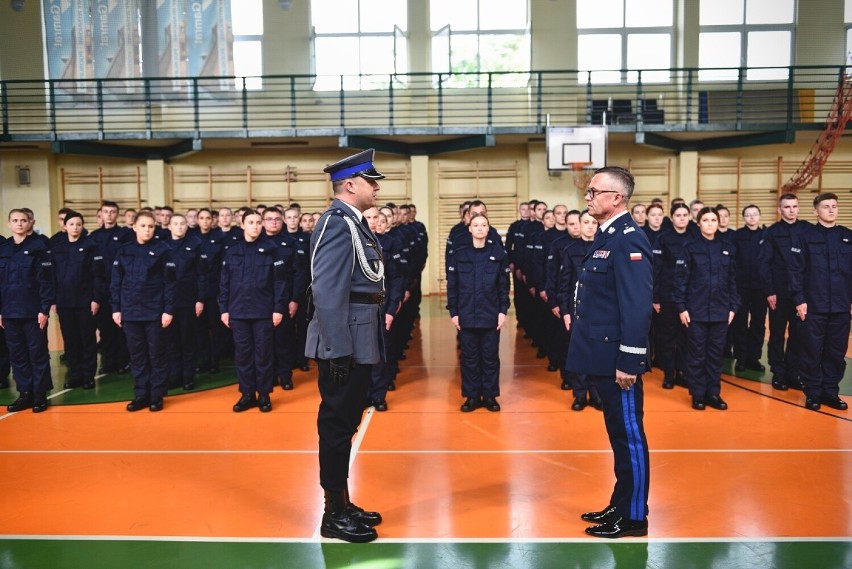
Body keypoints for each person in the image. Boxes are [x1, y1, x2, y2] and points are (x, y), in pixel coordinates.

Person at [566, 166, 651, 539]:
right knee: (618, 434)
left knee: (629, 435)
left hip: (619, 361)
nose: (587, 196)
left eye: (594, 191)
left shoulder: (628, 240)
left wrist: (630, 360)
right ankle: (621, 502)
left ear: (616, 198)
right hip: (602, 356)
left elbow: (636, 306)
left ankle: (634, 517)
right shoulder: (608, 237)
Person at [306, 149, 386, 543]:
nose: (376, 187)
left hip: (359, 336)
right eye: (371, 181)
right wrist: (337, 349)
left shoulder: (353, 222)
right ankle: (332, 513)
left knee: (347, 424)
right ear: (350, 185)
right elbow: (327, 290)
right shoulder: (336, 224)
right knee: (337, 427)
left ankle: (343, 502)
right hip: (345, 341)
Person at [219, 210, 287, 413]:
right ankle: (247, 394)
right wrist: (224, 309)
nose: (255, 226)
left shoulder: (272, 250)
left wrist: (278, 308)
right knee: (243, 355)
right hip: (238, 311)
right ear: (242, 225)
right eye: (251, 222)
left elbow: (280, 282)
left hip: (263, 311)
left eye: (258, 222)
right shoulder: (232, 251)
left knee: (264, 354)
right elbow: (224, 282)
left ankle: (264, 394)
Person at [674, 207, 740, 411]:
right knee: (696, 355)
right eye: (706, 220)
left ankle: (713, 392)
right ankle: (698, 394)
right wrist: (681, 307)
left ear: (718, 222)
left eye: (714, 219)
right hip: (696, 311)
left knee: (715, 355)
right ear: (699, 223)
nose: (710, 223)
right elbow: (680, 280)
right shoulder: (690, 247)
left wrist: (733, 307)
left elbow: (733, 280)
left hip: (721, 311)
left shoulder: (727, 247)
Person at [789, 193, 850, 412]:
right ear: (816, 211)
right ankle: (813, 393)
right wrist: (799, 300)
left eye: (834, 206)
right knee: (811, 351)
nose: (831, 210)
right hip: (813, 306)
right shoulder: (805, 237)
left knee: (836, 352)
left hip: (841, 307)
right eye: (826, 207)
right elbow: (795, 271)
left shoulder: (847, 236)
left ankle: (830, 392)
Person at [111, 211, 175, 412]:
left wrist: (168, 310)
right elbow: (116, 282)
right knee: (137, 356)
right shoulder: (124, 250)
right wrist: (116, 309)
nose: (147, 229)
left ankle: (156, 395)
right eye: (144, 226)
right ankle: (141, 394)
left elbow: (170, 283)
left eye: (151, 226)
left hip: (155, 311)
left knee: (156, 354)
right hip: (130, 311)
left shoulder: (163, 250)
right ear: (134, 227)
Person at [446, 212, 510, 412]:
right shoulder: (460, 254)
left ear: (488, 229)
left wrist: (503, 310)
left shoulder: (498, 254)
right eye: (476, 225)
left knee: (490, 357)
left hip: (491, 315)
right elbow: (453, 285)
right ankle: (472, 397)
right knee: (469, 358)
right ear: (470, 229)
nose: (480, 228)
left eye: (484, 225)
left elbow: (503, 286)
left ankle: (490, 396)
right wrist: (454, 312)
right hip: (466, 315)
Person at [0, 209, 56, 413]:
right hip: (9, 311)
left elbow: (46, 282)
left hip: (33, 312)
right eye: (15, 220)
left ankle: (40, 394)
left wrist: (44, 309)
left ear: (30, 223)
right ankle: (25, 393)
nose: (19, 224)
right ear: (9, 224)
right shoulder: (3, 249)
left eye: (23, 220)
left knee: (37, 353)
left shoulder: (38, 248)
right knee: (17, 355)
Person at [759, 193, 810, 390]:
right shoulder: (771, 232)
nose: (791, 210)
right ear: (780, 210)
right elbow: (764, 264)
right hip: (778, 294)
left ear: (798, 208)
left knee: (798, 334)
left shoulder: (807, 230)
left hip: (800, 295)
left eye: (794, 206)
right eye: (787, 207)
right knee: (777, 334)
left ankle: (792, 373)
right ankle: (778, 373)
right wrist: (769, 291)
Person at [52, 211, 103, 390]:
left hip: (85, 301)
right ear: (65, 226)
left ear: (82, 226)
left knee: (86, 339)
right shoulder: (57, 247)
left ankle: (88, 376)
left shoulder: (91, 246)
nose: (75, 227)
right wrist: (53, 300)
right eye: (72, 224)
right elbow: (52, 276)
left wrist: (96, 298)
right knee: (70, 340)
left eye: (79, 224)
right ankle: (75, 374)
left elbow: (98, 275)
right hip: (64, 301)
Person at [557, 210, 601, 410]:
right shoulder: (570, 250)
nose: (590, 226)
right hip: (577, 311)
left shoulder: (606, 248)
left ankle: (597, 395)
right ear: (580, 225)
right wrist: (565, 312)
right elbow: (564, 284)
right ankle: (580, 395)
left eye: (593, 222)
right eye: (586, 222)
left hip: (600, 311)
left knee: (598, 354)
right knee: (579, 354)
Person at [164, 213, 206, 391]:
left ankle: (188, 376)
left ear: (187, 226)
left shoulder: (195, 245)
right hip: (168, 302)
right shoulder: (162, 247)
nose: (180, 227)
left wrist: (200, 299)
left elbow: (202, 274)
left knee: (188, 339)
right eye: (176, 224)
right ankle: (175, 375)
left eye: (182, 224)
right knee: (171, 341)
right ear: (169, 226)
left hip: (188, 299)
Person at [652, 203, 692, 389]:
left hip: (689, 298)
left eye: (685, 215)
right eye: (678, 215)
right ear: (672, 217)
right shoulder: (663, 238)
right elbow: (655, 270)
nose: (682, 218)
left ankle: (682, 373)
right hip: (667, 296)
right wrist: (655, 297)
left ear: (690, 217)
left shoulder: (696, 238)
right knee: (667, 338)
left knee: (686, 338)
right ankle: (669, 374)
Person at [732, 205, 767, 373]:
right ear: (743, 217)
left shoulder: (766, 236)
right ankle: (741, 358)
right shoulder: (737, 236)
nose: (751, 217)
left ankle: (754, 358)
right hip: (741, 287)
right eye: (748, 215)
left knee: (758, 323)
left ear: (759, 216)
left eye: (754, 214)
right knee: (740, 323)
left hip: (760, 288)